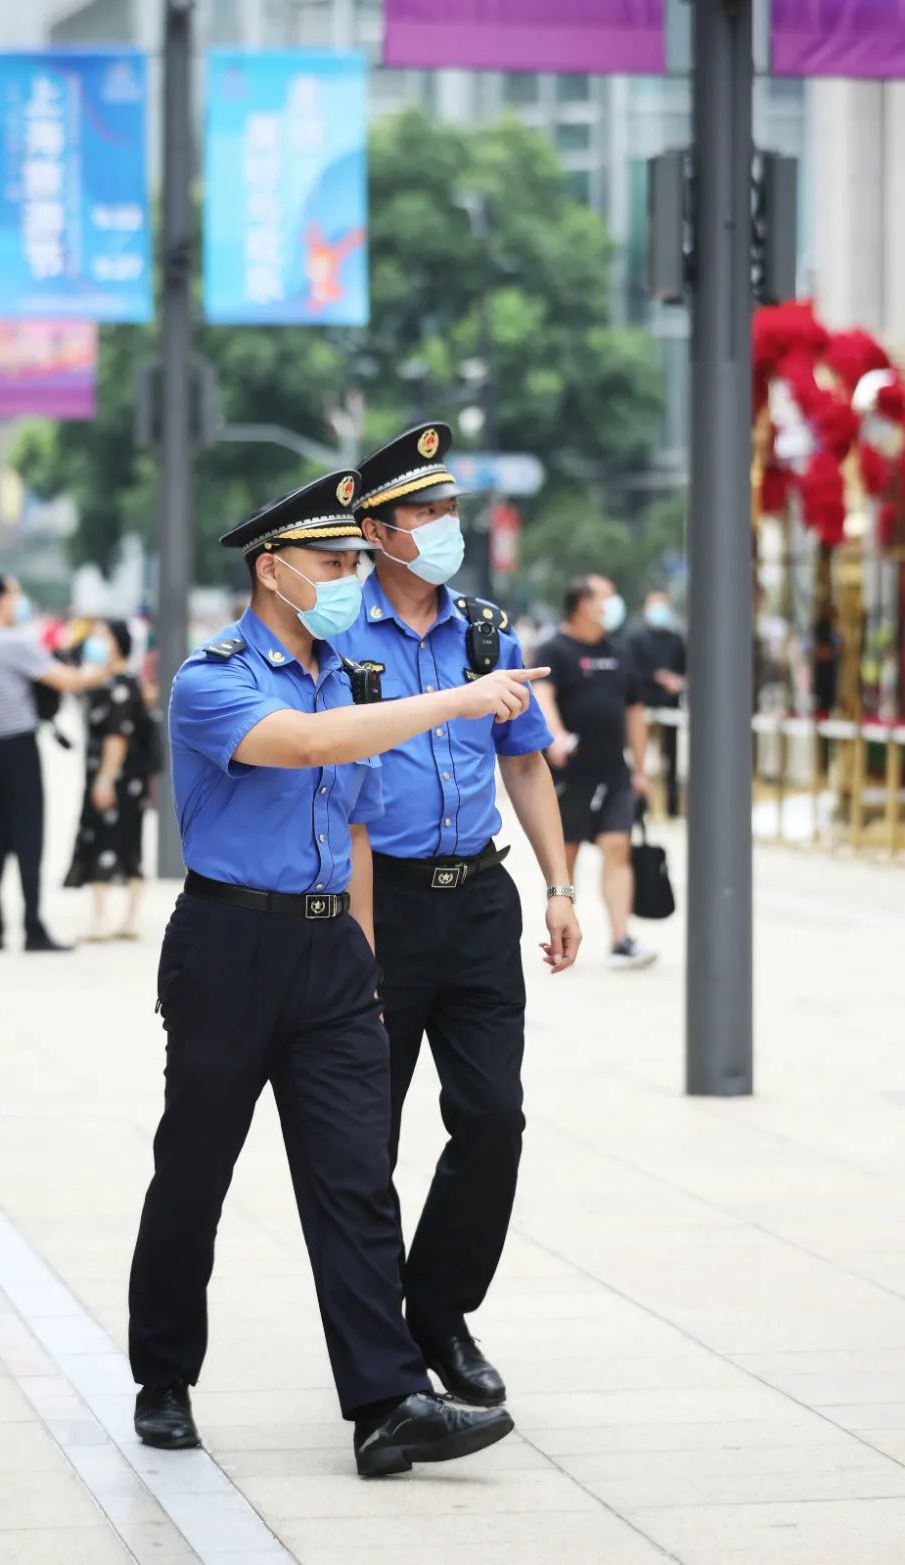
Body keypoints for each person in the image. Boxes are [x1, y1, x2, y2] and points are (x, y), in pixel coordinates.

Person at [128, 469, 547, 1477]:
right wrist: (457, 696)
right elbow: (310, 748)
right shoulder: (214, 676)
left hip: (329, 955)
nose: (351, 580)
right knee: (197, 1168)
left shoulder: (344, 676)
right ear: (271, 569)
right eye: (333, 562)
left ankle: (387, 1400)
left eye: (358, 562)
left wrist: (361, 953)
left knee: (356, 1180)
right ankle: (165, 1373)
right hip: (230, 948)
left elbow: (355, 825)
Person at [331, 423, 581, 1410]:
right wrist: (348, 932)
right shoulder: (338, 631)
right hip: (376, 900)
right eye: (423, 513)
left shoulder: (488, 632)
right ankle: (380, 1344)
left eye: (448, 511)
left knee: (492, 1117)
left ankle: (438, 1308)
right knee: (365, 1135)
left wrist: (559, 885)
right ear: (377, 530)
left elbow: (524, 757)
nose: (443, 528)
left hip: (478, 897)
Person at [0, 575, 108, 953]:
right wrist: (105, 671)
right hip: (18, 751)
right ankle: (32, 928)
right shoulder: (13, 643)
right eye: (13, 594)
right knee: (28, 839)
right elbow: (68, 682)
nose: (19, 600)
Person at [536, 576, 656, 970]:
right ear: (583, 604)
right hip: (571, 773)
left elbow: (635, 711)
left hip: (613, 773)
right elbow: (544, 696)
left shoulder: (619, 653)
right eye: (606, 597)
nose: (613, 604)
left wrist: (640, 768)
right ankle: (562, 930)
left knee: (618, 847)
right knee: (565, 855)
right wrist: (556, 737)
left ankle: (621, 938)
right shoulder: (554, 649)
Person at [64, 619, 151, 941]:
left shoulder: (117, 688)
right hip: (128, 778)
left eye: (103, 636)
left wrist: (104, 780)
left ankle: (103, 919)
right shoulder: (123, 683)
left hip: (114, 775)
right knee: (129, 841)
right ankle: (128, 918)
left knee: (105, 839)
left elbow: (117, 738)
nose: (96, 641)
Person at [628, 589, 686, 817]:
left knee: (670, 758)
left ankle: (672, 805)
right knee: (639, 755)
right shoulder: (636, 639)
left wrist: (676, 681)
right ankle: (640, 806)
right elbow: (632, 669)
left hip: (670, 705)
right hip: (642, 705)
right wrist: (657, 676)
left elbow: (683, 668)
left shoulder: (676, 640)